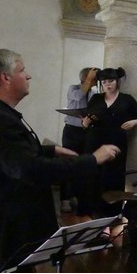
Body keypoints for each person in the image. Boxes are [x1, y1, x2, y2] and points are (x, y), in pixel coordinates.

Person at [0, 49, 119, 272]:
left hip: (8, 221)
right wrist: (92, 159)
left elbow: (12, 153)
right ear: (5, 77)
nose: (28, 76)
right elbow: (31, 169)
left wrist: (50, 150)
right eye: (22, 70)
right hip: (8, 228)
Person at [82, 67, 137, 217]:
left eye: (111, 81)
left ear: (117, 82)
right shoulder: (96, 98)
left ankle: (113, 211)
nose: (108, 85)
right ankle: (93, 209)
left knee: (114, 175)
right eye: (104, 82)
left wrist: (134, 122)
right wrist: (85, 122)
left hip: (117, 141)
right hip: (95, 140)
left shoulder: (127, 99)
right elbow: (85, 122)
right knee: (94, 174)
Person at [60, 67, 98, 213]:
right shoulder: (73, 88)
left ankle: (79, 195)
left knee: (83, 164)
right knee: (68, 162)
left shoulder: (94, 93)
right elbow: (79, 96)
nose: (95, 81)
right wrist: (89, 79)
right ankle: (65, 198)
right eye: (93, 78)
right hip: (72, 131)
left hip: (86, 131)